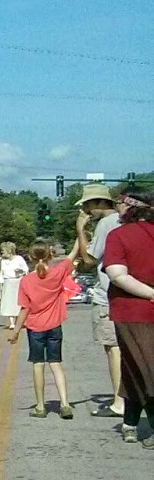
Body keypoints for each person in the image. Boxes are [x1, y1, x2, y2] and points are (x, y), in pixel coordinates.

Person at [102, 189, 154, 446]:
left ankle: (142, 424)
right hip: (136, 312)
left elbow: (117, 275)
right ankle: (130, 423)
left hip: (132, 311)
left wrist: (151, 294)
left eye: (119, 204)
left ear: (129, 207)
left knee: (144, 366)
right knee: (136, 364)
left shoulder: (118, 236)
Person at [9, 239, 84, 418]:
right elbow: (74, 253)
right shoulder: (58, 273)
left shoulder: (26, 281)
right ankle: (65, 404)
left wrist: (16, 331)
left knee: (38, 365)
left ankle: (41, 406)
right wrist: (80, 231)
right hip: (55, 325)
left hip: (35, 327)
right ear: (50, 255)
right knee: (56, 364)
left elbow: (24, 309)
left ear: (30, 257)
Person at [75, 184, 124, 420]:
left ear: (97, 203)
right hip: (127, 294)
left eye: (87, 205)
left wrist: (80, 229)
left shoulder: (106, 224)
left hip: (107, 295)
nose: (85, 210)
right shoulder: (125, 221)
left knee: (113, 348)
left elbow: (88, 259)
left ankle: (119, 401)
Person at [0, 241, 28, 331]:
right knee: (9, 302)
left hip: (18, 281)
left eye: (3, 250)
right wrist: (1, 284)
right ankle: (11, 322)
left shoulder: (19, 259)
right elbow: (2, 273)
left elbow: (26, 270)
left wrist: (20, 271)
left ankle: (19, 321)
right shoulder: (3, 261)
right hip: (8, 282)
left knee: (18, 302)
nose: (2, 252)